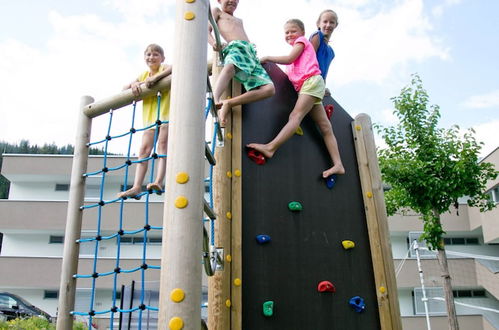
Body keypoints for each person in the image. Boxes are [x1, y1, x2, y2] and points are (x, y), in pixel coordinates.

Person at [247, 19, 344, 178]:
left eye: (293, 31)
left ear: (302, 33)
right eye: (286, 32)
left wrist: (267, 57)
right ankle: (338, 164)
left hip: (311, 82)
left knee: (295, 116)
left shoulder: (302, 42)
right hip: (309, 86)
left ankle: (271, 147)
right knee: (325, 126)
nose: (290, 34)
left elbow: (289, 58)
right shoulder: (293, 63)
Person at [208, 0, 275, 127]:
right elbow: (207, 30)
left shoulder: (239, 20)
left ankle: (229, 103)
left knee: (269, 89)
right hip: (235, 47)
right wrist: (214, 43)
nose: (232, 1)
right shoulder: (218, 12)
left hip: (250, 53)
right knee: (230, 68)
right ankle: (215, 98)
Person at [118, 44, 171, 199]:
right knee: (143, 151)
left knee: (162, 146)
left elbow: (174, 68)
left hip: (166, 115)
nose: (151, 57)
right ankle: (136, 186)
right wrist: (136, 84)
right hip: (150, 119)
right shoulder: (143, 75)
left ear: (162, 58)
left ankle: (159, 181)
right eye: (148, 55)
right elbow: (124, 88)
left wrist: (156, 78)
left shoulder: (164, 69)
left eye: (155, 54)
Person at [309, 9, 338, 83]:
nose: (328, 25)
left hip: (319, 84)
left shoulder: (331, 52)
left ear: (336, 25)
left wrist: (323, 87)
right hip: (309, 81)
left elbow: (324, 74)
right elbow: (308, 62)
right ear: (318, 24)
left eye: (332, 22)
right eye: (325, 21)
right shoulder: (317, 36)